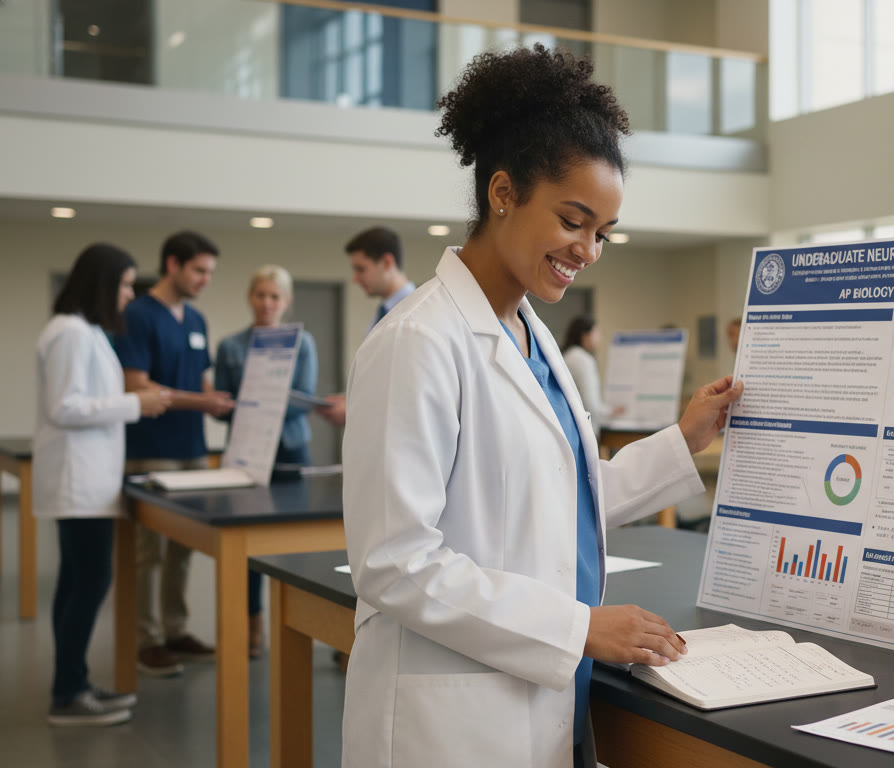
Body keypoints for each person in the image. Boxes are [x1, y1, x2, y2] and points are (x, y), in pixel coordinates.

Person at [340, 45, 743, 768]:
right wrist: (577, 626)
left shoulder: (530, 335)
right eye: (573, 220)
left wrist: (684, 439)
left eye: (602, 234)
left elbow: (558, 497)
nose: (588, 250)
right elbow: (394, 562)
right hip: (454, 723)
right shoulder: (417, 341)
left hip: (540, 694)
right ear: (502, 193)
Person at [35, 244, 173, 726]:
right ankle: (68, 693)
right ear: (101, 284)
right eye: (124, 284)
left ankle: (72, 683)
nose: (129, 294)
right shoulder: (71, 333)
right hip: (79, 483)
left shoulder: (84, 331)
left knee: (77, 584)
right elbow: (65, 407)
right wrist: (137, 404)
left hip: (87, 481)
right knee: (89, 583)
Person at [115, 230, 235, 677]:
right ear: (172, 265)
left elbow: (199, 385)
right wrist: (201, 402)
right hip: (152, 452)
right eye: (199, 270)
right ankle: (146, 639)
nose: (205, 279)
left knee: (183, 548)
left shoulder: (198, 321)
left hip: (193, 449)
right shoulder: (138, 315)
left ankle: (176, 629)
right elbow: (137, 386)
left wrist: (216, 400)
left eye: (209, 272)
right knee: (151, 551)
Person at [214, 265, 319, 658]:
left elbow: (303, 399)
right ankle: (252, 625)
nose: (267, 304)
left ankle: (303, 623)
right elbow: (222, 408)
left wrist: (259, 404)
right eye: (261, 295)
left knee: (301, 542)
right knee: (247, 545)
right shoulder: (230, 346)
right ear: (250, 297)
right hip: (246, 453)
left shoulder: (302, 343)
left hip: (290, 451)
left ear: (286, 302)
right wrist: (242, 407)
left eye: (275, 297)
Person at [318, 226, 415, 427]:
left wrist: (354, 410)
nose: (355, 278)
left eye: (361, 269)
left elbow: (407, 388)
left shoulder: (415, 314)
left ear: (387, 262)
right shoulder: (383, 312)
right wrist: (350, 401)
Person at [561, 314, 624, 431]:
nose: (599, 338)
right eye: (596, 333)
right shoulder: (582, 360)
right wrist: (611, 411)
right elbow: (591, 405)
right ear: (585, 335)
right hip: (585, 429)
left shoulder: (568, 356)